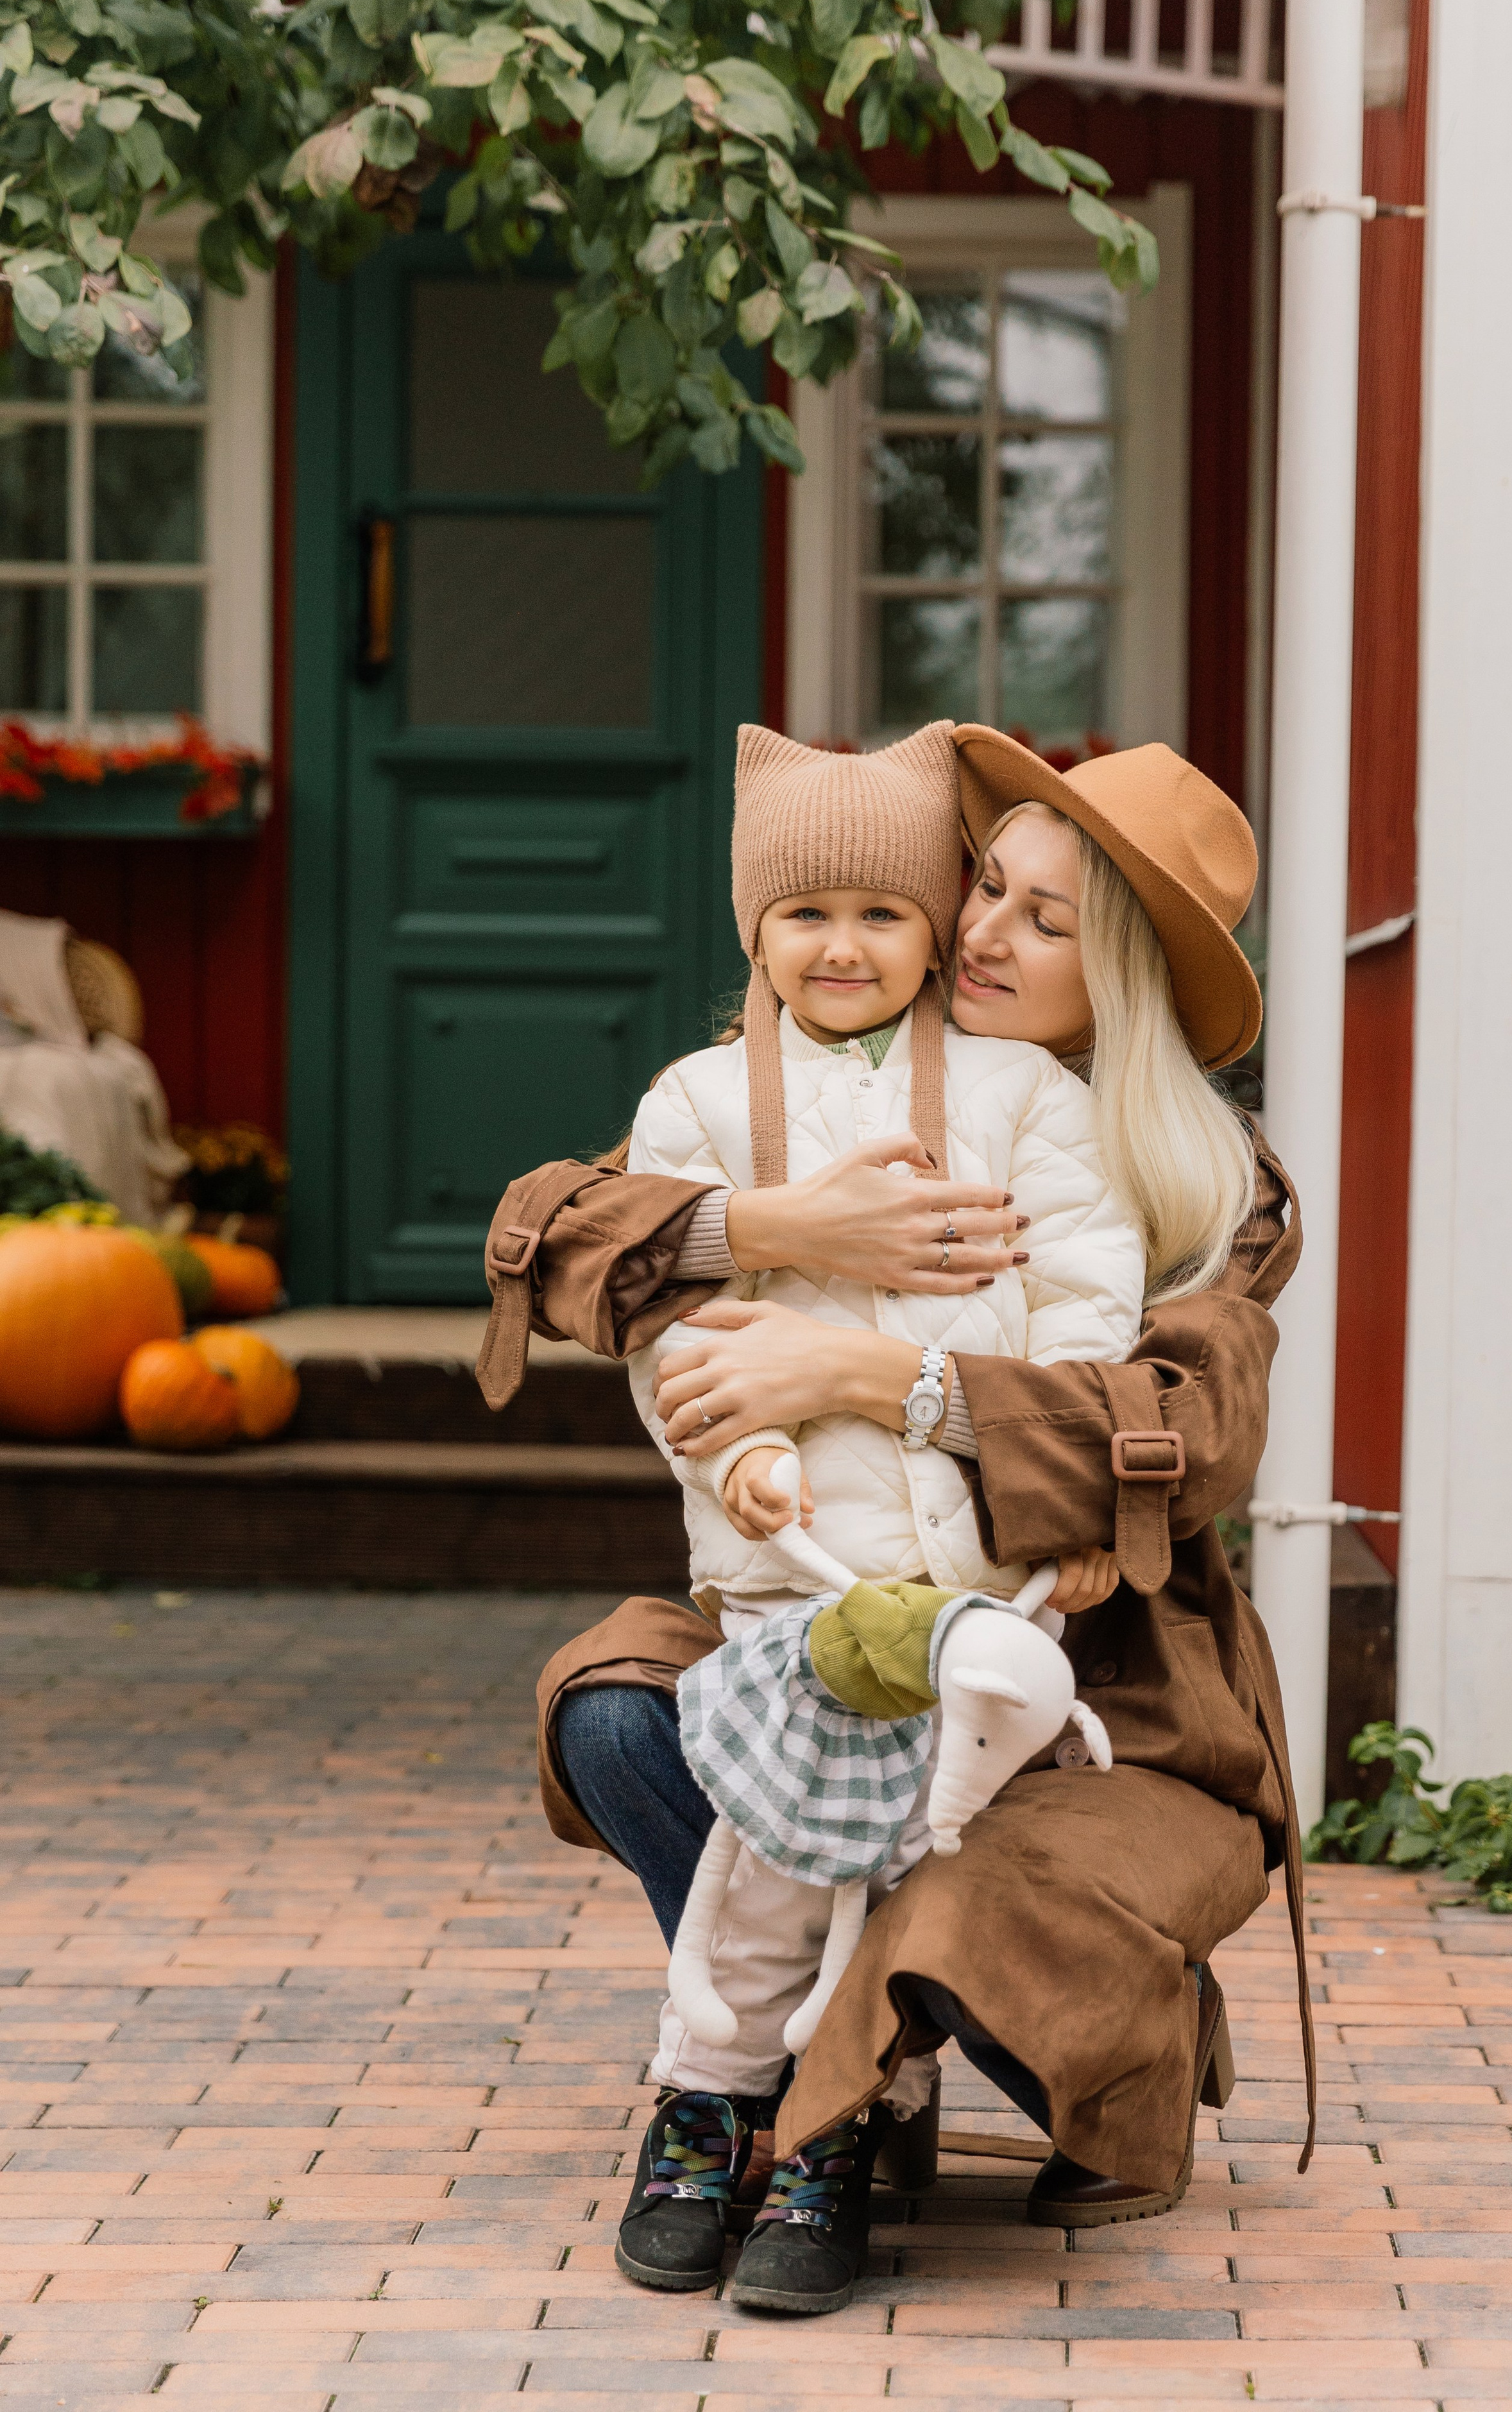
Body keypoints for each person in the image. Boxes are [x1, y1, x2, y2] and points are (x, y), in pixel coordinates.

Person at [478, 724, 1316, 2320]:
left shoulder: (1212, 1189)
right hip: (825, 1603)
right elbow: (573, 1226)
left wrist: (853, 1361)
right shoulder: (804, 1082)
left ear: (1123, 976)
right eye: (985, 886)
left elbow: (1184, 1431)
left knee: (955, 1878)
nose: (985, 932)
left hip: (1100, 1689)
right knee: (623, 1721)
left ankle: (890, 2087)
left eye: (1046, 919)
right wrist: (774, 1224)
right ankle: (794, 2077)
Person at [616, 721, 1146, 2299]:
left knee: (894, 1863)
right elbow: (668, 1335)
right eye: (803, 915)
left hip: (977, 1590)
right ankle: (741, 2120)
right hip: (794, 1574)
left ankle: (813, 2127)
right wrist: (734, 1461)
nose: (841, 948)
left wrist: (1046, 1491)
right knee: (777, 1852)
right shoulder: (698, 1105)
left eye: (881, 913)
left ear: (929, 926)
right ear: (751, 929)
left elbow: (1086, 1314)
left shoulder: (1020, 1101)